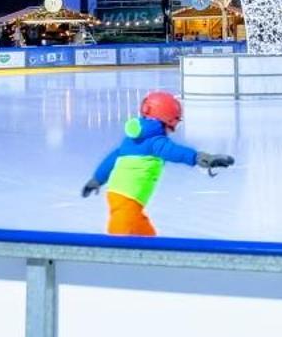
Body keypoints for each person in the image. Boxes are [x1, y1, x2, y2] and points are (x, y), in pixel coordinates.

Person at [81, 90, 232, 237]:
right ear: (168, 120)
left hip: (124, 197)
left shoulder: (132, 140)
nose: (172, 130)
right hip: (127, 199)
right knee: (120, 237)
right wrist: (201, 158)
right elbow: (174, 151)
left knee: (147, 237)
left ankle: (153, 255)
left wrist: (97, 179)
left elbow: (111, 160)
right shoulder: (155, 141)